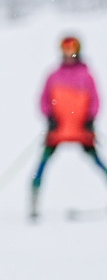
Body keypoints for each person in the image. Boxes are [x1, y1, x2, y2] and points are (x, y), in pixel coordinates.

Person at [34, 35, 104, 219]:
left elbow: (95, 100)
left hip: (81, 130)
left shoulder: (86, 76)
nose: (69, 51)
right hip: (58, 130)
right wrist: (49, 116)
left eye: (72, 47)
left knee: (99, 163)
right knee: (40, 166)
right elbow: (44, 99)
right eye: (65, 48)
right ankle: (33, 206)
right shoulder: (53, 75)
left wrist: (90, 118)